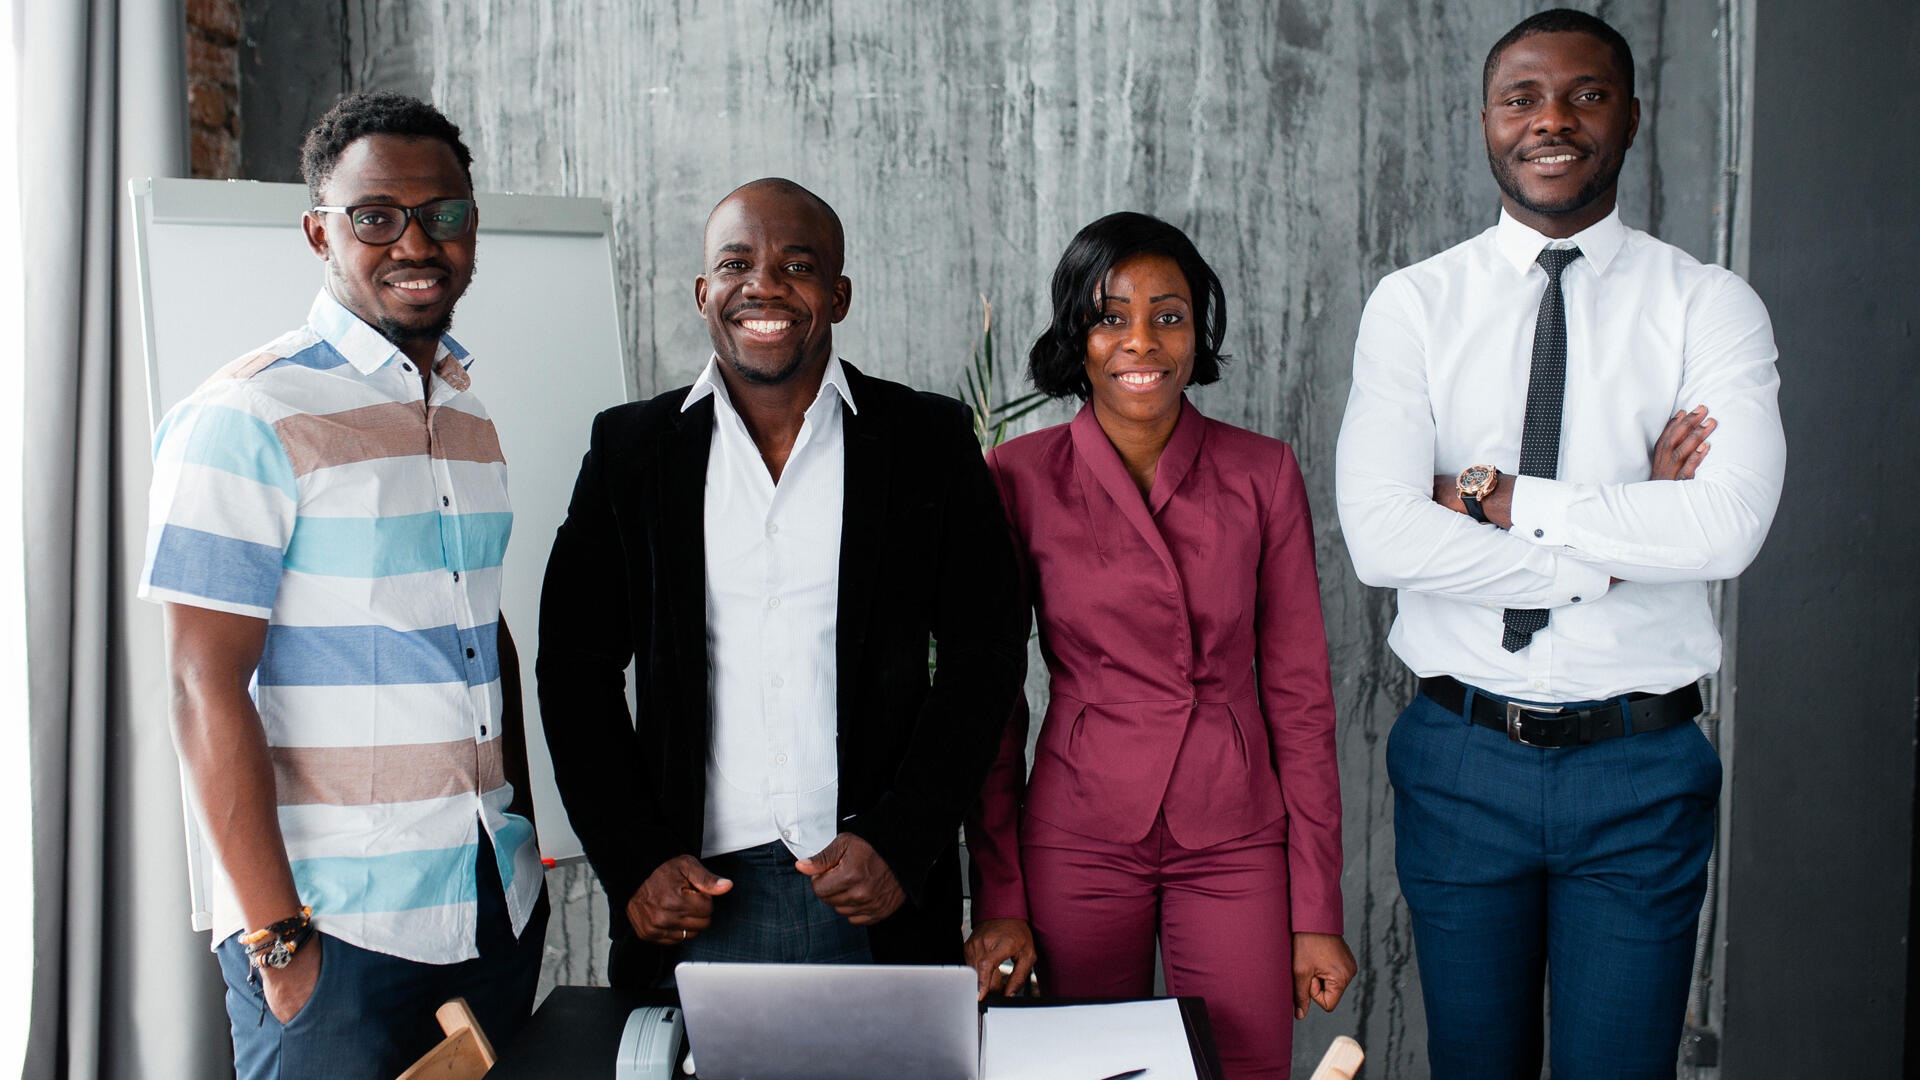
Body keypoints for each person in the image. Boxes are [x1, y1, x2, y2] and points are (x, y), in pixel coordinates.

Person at [1334, 10, 1785, 1077]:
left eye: (1587, 95)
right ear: (1486, 121)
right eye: (1522, 98)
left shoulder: (1709, 306)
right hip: (1460, 760)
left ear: (1632, 117)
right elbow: (1384, 539)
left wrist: (1496, 497)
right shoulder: (1414, 306)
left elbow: (1726, 527)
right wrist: (1626, 532)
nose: (1553, 120)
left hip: (1641, 769)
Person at [139, 91, 548, 1079]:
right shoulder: (246, 414)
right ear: (320, 231)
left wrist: (525, 835)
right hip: (337, 936)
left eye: (443, 213)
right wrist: (280, 944)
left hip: (490, 909)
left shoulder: (469, 420)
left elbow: (482, 634)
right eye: (376, 217)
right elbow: (200, 684)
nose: (416, 242)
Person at [537, 178, 1027, 987]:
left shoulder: (926, 440)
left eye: (796, 266)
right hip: (694, 899)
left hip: (876, 894)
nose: (762, 286)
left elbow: (987, 652)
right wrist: (634, 857)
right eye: (736, 264)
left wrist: (902, 839)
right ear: (704, 292)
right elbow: (573, 668)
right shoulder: (631, 451)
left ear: (838, 296)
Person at [962, 212, 1355, 1080]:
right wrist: (999, 895)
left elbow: (1300, 698)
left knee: (1244, 1065)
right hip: (1079, 828)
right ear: (1077, 335)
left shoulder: (1262, 472)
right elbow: (992, 705)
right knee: (1080, 1068)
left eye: (1168, 316)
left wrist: (1316, 909)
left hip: (1234, 830)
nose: (1141, 341)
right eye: (1112, 317)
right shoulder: (1019, 476)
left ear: (1196, 332)